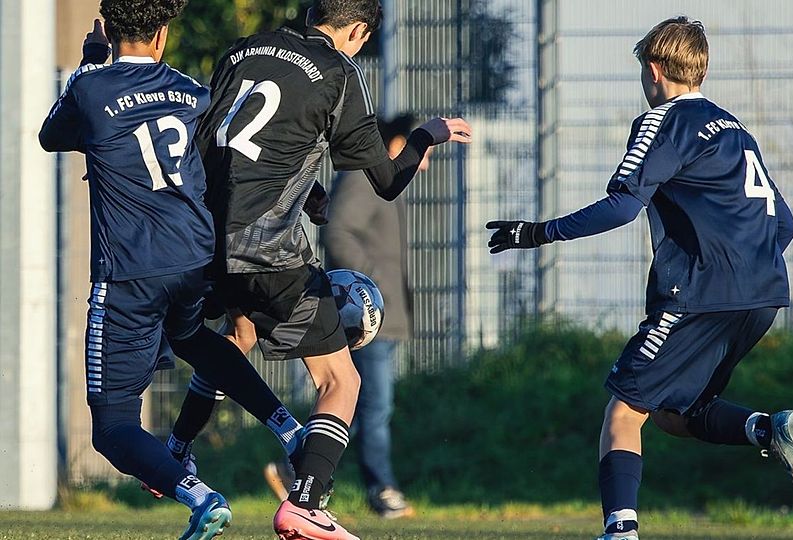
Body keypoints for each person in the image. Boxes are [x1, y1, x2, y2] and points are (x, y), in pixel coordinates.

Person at [486, 16, 793, 540]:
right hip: (762, 296)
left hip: (700, 294)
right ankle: (770, 429)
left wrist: (538, 233)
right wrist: (742, 270)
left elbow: (623, 208)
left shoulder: (663, 120)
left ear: (654, 67)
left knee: (624, 411)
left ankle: (620, 531)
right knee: (675, 410)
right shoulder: (736, 130)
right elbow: (785, 222)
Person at [164, 1, 472, 538]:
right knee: (340, 380)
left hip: (203, 238)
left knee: (236, 335)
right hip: (267, 248)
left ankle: (176, 449)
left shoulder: (244, 50)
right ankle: (306, 503)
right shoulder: (338, 72)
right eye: (361, 41)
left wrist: (309, 196)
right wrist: (427, 135)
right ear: (356, 31)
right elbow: (388, 181)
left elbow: (233, 148)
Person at [38, 2, 307, 539]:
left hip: (133, 272)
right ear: (162, 36)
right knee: (190, 337)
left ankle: (198, 496)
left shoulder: (92, 88)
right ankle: (289, 428)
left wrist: (91, 62)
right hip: (195, 256)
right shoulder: (191, 90)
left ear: (112, 34)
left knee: (113, 428)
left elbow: (51, 134)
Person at [319, 115, 424, 519]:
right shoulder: (365, 178)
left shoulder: (386, 186)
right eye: (421, 150)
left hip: (384, 318)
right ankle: (381, 490)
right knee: (373, 407)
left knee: (363, 408)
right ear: (397, 144)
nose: (424, 162)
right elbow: (338, 232)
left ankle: (302, 467)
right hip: (367, 320)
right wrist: (368, 289)